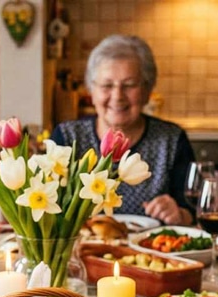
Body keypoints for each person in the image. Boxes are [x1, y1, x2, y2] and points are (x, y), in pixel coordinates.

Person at [51, 35, 194, 226]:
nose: (117, 96)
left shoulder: (172, 140)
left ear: (147, 90)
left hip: (151, 252)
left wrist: (179, 214)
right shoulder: (67, 137)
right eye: (107, 85)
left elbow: (193, 210)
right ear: (91, 91)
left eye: (129, 85)